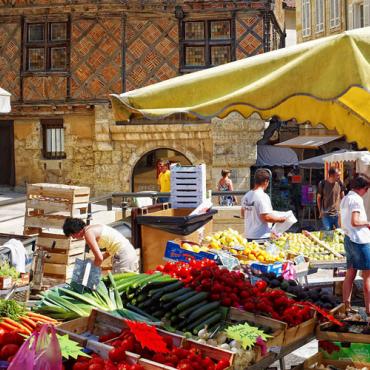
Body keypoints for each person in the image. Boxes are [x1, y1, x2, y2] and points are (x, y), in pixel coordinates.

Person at [340, 174, 370, 316]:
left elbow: (344, 222)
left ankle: (346, 306)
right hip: (360, 241)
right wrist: (368, 223)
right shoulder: (357, 200)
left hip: (349, 238)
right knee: (367, 277)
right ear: (363, 188)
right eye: (367, 189)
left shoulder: (345, 198)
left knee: (350, 274)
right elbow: (355, 221)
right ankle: (369, 309)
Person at [63, 217, 139, 273]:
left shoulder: (88, 233)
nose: (73, 237)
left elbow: (99, 258)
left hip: (124, 256)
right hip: (128, 252)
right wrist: (92, 263)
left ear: (76, 231)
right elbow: (109, 250)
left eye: (72, 235)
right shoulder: (93, 228)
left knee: (119, 288)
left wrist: (90, 271)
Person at [241, 168, 287, 241]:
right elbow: (266, 218)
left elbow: (243, 214)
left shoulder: (246, 195)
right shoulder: (263, 196)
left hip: (248, 235)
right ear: (266, 181)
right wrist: (280, 219)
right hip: (261, 237)